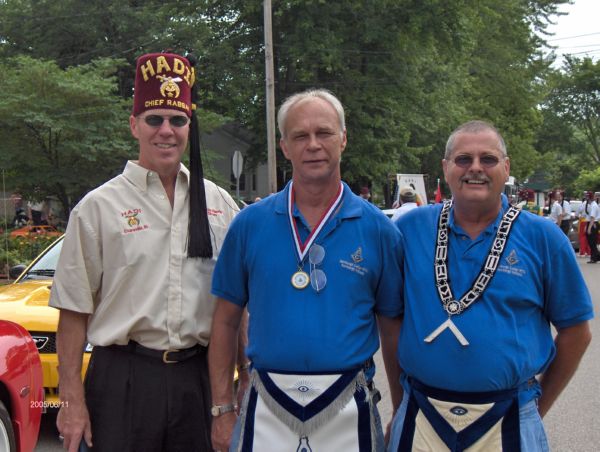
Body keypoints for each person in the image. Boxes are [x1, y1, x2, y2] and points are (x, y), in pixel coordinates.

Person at [49, 52, 240, 452]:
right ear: (134, 125)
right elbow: (73, 312)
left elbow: (236, 307)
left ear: (190, 125)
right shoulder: (98, 208)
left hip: (198, 380)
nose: (166, 131)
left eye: (177, 119)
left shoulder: (221, 205)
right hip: (122, 382)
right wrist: (71, 402)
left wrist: (236, 393)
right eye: (155, 119)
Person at [208, 89, 403, 451]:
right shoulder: (250, 224)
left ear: (343, 139)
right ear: (284, 146)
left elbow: (392, 329)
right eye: (300, 135)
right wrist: (221, 409)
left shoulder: (379, 230)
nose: (313, 145)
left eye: (324, 133)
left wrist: (401, 408)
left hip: (349, 405)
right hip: (266, 406)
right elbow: (224, 321)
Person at [388, 120, 593, 451]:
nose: (475, 169)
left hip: (511, 416)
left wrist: (536, 408)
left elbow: (577, 332)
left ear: (506, 167)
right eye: (463, 159)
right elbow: (391, 322)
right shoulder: (409, 229)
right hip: (420, 415)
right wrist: (398, 407)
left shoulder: (543, 237)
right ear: (446, 167)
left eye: (488, 159)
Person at [582, 191, 600, 263]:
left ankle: (594, 257)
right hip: (590, 223)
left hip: (593, 224)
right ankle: (595, 257)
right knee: (591, 242)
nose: (586, 198)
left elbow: (592, 218)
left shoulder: (593, 205)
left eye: (587, 196)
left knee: (592, 242)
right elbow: (589, 217)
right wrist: (586, 226)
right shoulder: (590, 205)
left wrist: (589, 228)